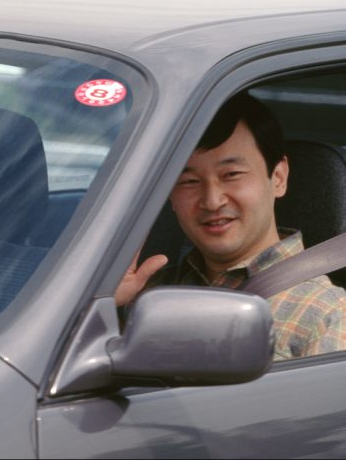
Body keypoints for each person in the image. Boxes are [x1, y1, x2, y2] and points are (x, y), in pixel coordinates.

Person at [116, 92, 346, 360]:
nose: (212, 201)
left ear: (279, 177)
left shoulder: (326, 315)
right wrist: (105, 301)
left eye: (231, 175)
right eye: (189, 181)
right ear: (170, 195)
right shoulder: (146, 294)